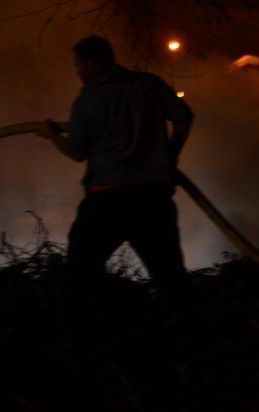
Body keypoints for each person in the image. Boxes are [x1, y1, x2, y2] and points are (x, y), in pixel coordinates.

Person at [37, 35, 194, 343]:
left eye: (78, 64)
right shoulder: (149, 85)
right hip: (153, 198)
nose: (77, 71)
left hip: (107, 199)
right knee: (170, 276)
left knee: (80, 274)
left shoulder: (88, 100)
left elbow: (77, 152)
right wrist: (170, 157)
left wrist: (50, 135)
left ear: (92, 63)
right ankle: (187, 339)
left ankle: (76, 341)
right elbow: (185, 118)